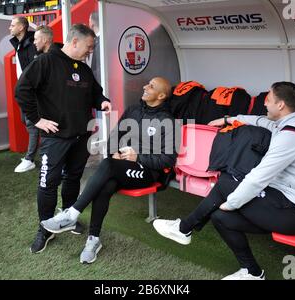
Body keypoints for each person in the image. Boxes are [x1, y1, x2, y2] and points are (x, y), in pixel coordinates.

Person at [153, 82, 295, 280]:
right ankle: (253, 273)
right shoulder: (288, 124)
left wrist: (232, 202)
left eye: (268, 99)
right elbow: (260, 121)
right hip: (281, 201)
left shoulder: (291, 136)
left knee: (229, 181)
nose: (265, 102)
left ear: (281, 105)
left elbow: (258, 178)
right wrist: (229, 119)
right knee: (220, 217)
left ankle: (184, 228)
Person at [40, 77, 176, 264]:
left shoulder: (167, 121)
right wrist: (114, 153)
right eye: (147, 84)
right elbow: (114, 137)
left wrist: (138, 157)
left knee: (107, 166)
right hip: (122, 166)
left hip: (148, 172)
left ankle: (72, 213)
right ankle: (93, 239)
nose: (145, 87)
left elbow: (168, 159)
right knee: (106, 183)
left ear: (161, 95)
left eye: (151, 86)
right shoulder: (133, 110)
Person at [15, 24, 112, 254]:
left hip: (80, 136)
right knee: (48, 183)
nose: (91, 50)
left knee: (73, 178)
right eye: (89, 46)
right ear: (75, 41)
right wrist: (37, 120)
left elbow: (95, 92)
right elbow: (22, 90)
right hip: (55, 138)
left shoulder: (83, 68)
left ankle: (68, 216)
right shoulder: (46, 62)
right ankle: (44, 229)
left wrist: (103, 101)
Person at [9, 16, 39, 173]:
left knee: (31, 123)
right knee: (25, 120)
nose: (10, 28)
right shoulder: (19, 44)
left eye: (12, 25)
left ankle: (30, 159)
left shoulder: (32, 44)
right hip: (24, 91)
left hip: (31, 92)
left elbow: (35, 71)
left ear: (21, 28)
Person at [86, 11, 100, 83]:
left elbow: (98, 68)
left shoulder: (100, 42)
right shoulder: (99, 40)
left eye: (89, 21)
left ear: (92, 24)